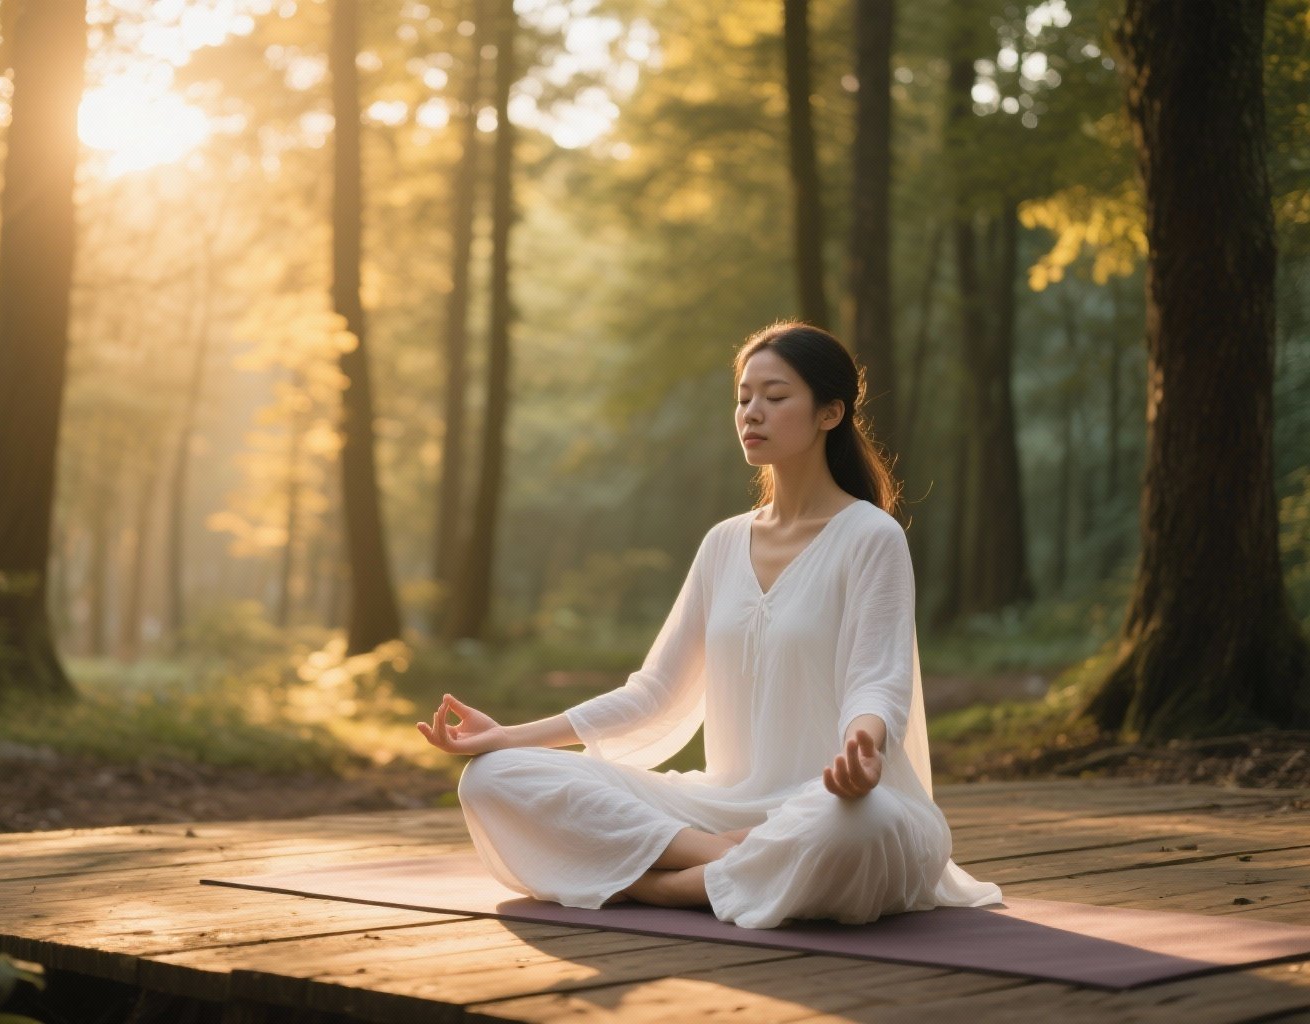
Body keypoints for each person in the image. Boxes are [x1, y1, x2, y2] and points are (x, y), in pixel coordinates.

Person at [416, 319, 1004, 927]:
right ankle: (722, 860)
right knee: (491, 779)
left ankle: (662, 888)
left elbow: (876, 681)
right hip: (723, 810)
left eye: (775, 398)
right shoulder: (724, 543)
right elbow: (654, 693)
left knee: (860, 826)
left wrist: (866, 749)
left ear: (830, 414)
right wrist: (508, 736)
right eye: (744, 397)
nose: (752, 413)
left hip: (833, 804)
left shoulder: (871, 537)